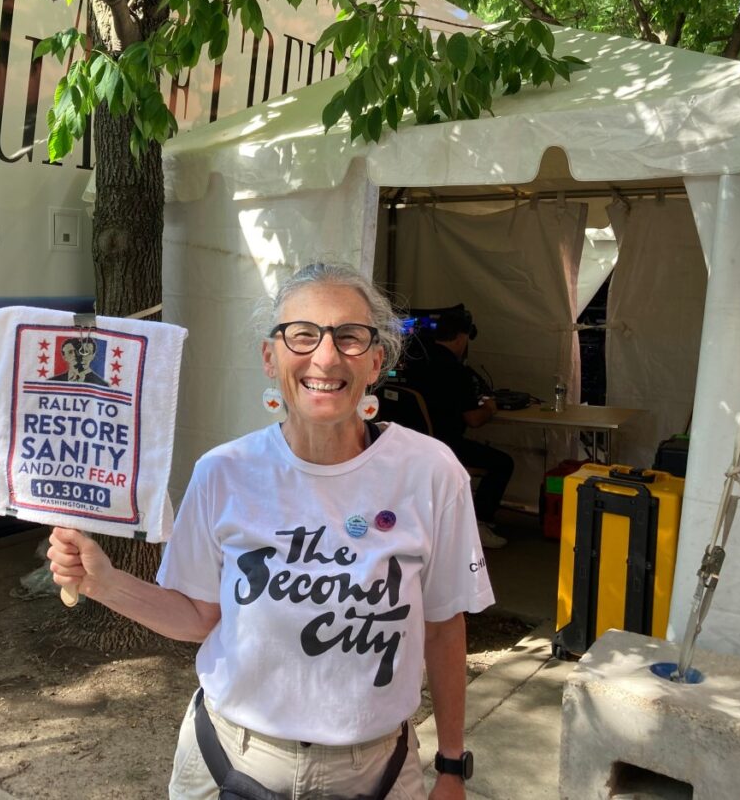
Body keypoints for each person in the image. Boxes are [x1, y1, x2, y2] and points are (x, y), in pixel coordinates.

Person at [48, 263, 494, 800]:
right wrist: (104, 583)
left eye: (350, 337)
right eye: (302, 335)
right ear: (270, 357)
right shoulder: (224, 472)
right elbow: (197, 618)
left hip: (375, 771)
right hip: (230, 762)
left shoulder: (430, 472)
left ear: (376, 362)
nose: (326, 357)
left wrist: (450, 766)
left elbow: (444, 627)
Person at [409, 306, 514, 550]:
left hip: (413, 446)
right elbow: (474, 420)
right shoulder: (456, 371)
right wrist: (490, 407)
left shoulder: (414, 363)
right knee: (503, 463)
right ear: (461, 337)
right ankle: (480, 522)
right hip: (446, 447)